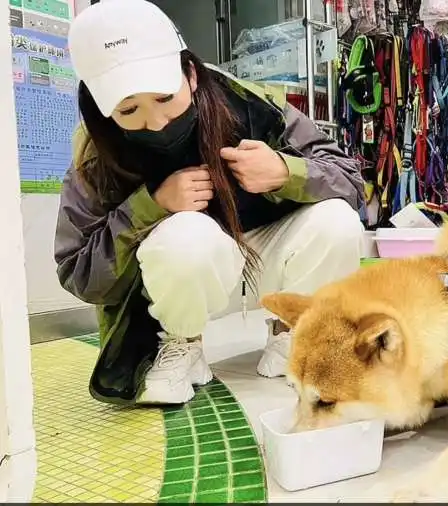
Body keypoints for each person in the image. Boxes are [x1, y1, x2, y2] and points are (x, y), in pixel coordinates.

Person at [54, 0, 365, 406]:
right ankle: (182, 343)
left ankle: (294, 333)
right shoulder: (95, 155)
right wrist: (152, 206)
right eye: (129, 109)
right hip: (175, 289)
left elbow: (352, 183)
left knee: (338, 221)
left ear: (190, 74)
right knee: (184, 235)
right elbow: (80, 273)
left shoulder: (249, 104)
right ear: (102, 109)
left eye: (165, 97)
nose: (156, 121)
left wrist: (286, 172)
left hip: (268, 264)